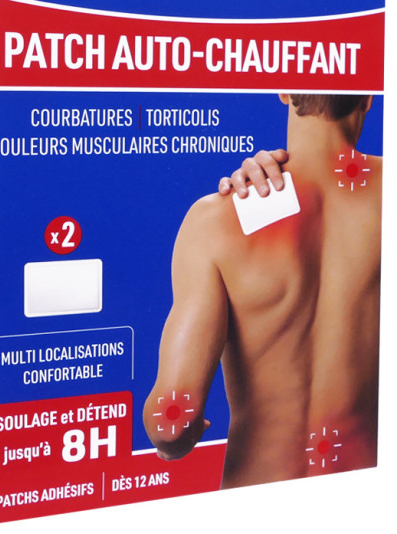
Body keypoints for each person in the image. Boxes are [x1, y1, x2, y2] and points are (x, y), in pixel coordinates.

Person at [143, 93, 382, 487]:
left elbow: (171, 423)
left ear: (284, 90)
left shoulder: (216, 219)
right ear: (368, 97)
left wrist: (175, 441)